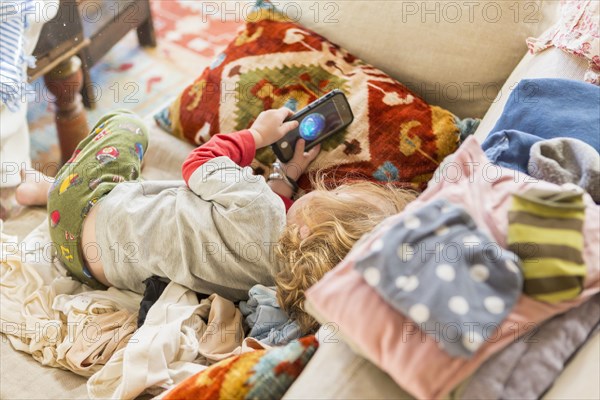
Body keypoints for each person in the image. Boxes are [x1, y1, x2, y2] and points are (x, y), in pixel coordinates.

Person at [17, 108, 416, 333]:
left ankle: (49, 189)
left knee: (127, 126)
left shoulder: (259, 206)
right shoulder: (274, 285)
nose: (324, 190)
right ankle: (44, 190)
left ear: (308, 229)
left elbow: (199, 163)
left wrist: (257, 136)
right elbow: (266, 233)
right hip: (93, 269)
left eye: (333, 195)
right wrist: (288, 171)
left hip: (78, 213)